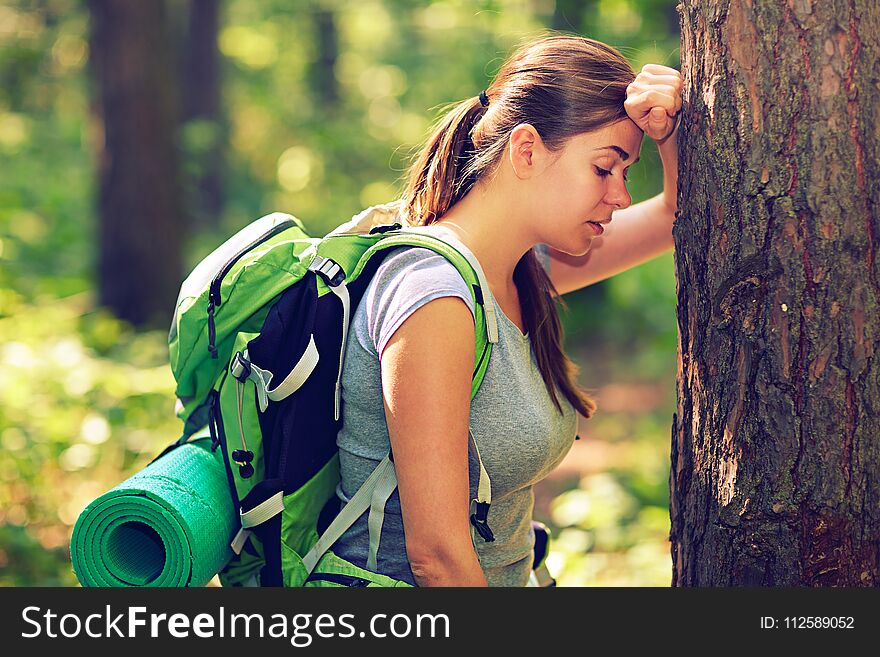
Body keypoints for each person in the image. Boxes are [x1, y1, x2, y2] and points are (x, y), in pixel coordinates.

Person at [330, 33, 683, 587]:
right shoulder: (434, 295)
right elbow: (439, 559)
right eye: (603, 168)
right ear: (526, 151)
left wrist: (670, 134)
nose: (618, 195)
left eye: (625, 173)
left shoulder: (522, 269)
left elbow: (675, 215)